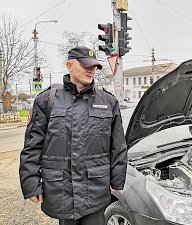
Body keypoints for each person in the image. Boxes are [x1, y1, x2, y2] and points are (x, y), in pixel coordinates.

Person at [19, 46, 128, 225]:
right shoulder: (47, 101)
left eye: (94, 66)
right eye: (85, 65)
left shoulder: (108, 102)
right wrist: (31, 182)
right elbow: (33, 145)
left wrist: (117, 180)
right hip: (61, 189)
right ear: (69, 65)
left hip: (95, 189)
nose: (91, 70)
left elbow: (118, 146)